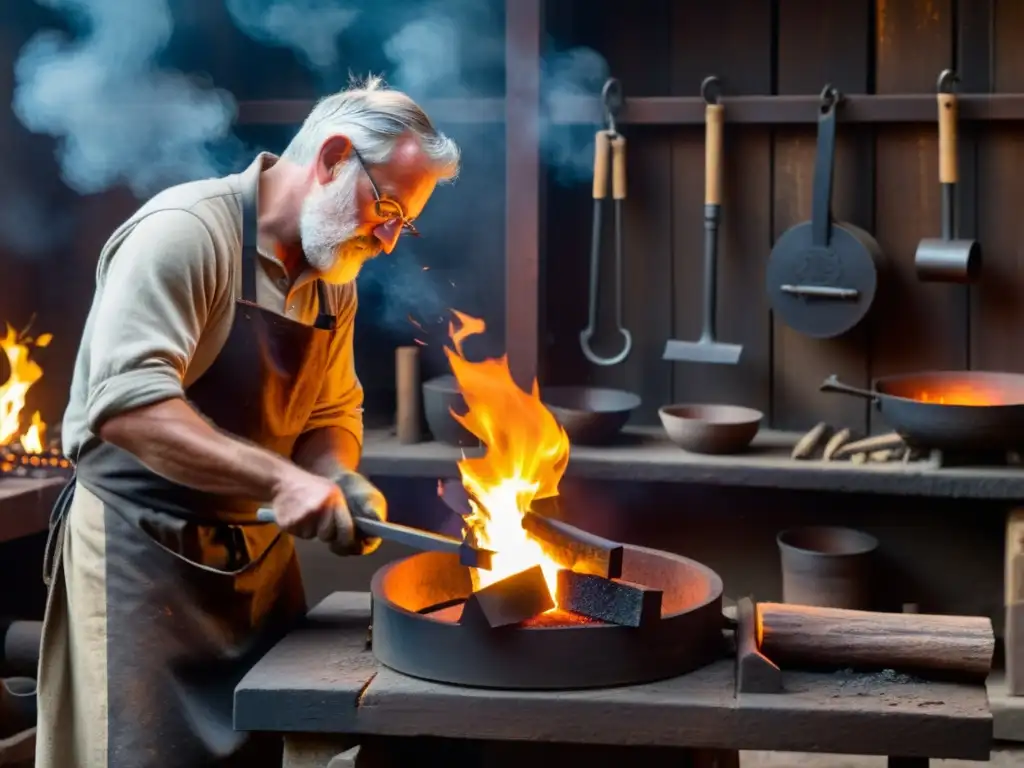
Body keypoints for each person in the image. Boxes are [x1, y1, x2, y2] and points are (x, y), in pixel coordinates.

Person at [34, 76, 461, 768]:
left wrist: (335, 473)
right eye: (385, 207)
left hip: (256, 575)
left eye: (402, 224)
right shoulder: (184, 235)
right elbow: (129, 405)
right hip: (144, 565)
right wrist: (281, 480)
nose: (387, 241)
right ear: (331, 157)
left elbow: (330, 410)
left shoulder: (333, 279)